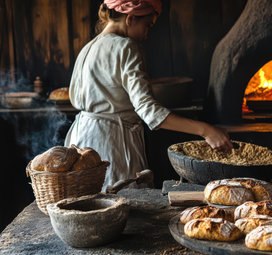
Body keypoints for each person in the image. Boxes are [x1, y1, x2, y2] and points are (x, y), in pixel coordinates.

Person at [64, 0, 232, 190]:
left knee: (88, 205)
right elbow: (149, 112)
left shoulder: (88, 48)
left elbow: (74, 98)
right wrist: (206, 130)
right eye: (147, 25)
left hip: (80, 142)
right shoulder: (126, 47)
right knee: (122, 206)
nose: (146, 34)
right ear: (130, 18)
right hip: (113, 146)